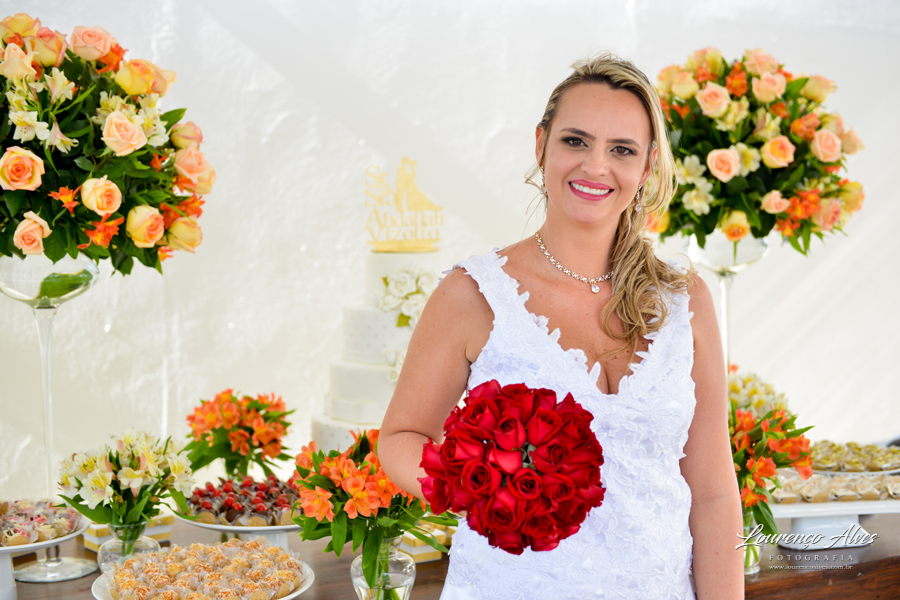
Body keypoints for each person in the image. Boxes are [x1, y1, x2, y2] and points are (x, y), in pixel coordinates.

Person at [379, 52, 744, 600]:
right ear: (541, 146)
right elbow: (400, 438)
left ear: (647, 167)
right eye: (576, 141)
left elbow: (714, 493)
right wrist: (478, 487)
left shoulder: (684, 300)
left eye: (622, 150)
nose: (596, 166)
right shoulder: (472, 294)